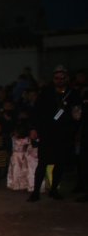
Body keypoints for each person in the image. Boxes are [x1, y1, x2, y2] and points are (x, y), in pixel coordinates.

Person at [28, 65, 82, 201]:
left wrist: (76, 127)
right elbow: (36, 111)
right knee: (42, 163)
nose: (59, 80)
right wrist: (34, 128)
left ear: (67, 78)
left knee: (60, 163)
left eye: (62, 78)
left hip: (64, 134)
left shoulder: (73, 94)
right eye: (56, 78)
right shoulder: (46, 92)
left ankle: (54, 190)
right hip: (47, 133)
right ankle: (35, 192)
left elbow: (77, 114)